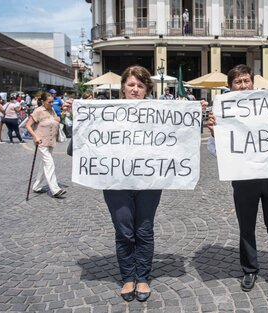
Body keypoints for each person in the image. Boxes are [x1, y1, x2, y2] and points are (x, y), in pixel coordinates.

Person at [207, 64, 268, 294]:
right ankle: (249, 269)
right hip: (244, 178)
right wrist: (215, 132)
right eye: (238, 82)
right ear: (230, 87)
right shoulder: (222, 112)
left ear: (253, 82)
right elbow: (216, 152)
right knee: (246, 226)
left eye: (246, 80)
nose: (243, 85)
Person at [103, 65, 160, 303]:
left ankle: (143, 277)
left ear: (147, 89)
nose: (135, 89)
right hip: (116, 182)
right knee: (124, 231)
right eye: (131, 85)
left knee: (144, 230)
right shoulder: (105, 113)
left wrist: (192, 113)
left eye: (140, 85)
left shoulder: (159, 113)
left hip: (148, 181)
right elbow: (78, 149)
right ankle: (128, 277)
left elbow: (178, 142)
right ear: (123, 88)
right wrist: (79, 122)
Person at [25, 92, 66, 198]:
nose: (52, 104)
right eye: (49, 102)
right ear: (43, 101)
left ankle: (37, 186)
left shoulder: (51, 110)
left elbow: (55, 121)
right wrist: (35, 136)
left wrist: (58, 119)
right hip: (41, 141)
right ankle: (55, 189)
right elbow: (28, 125)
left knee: (44, 164)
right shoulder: (38, 111)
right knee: (49, 163)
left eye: (52, 101)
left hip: (51, 141)